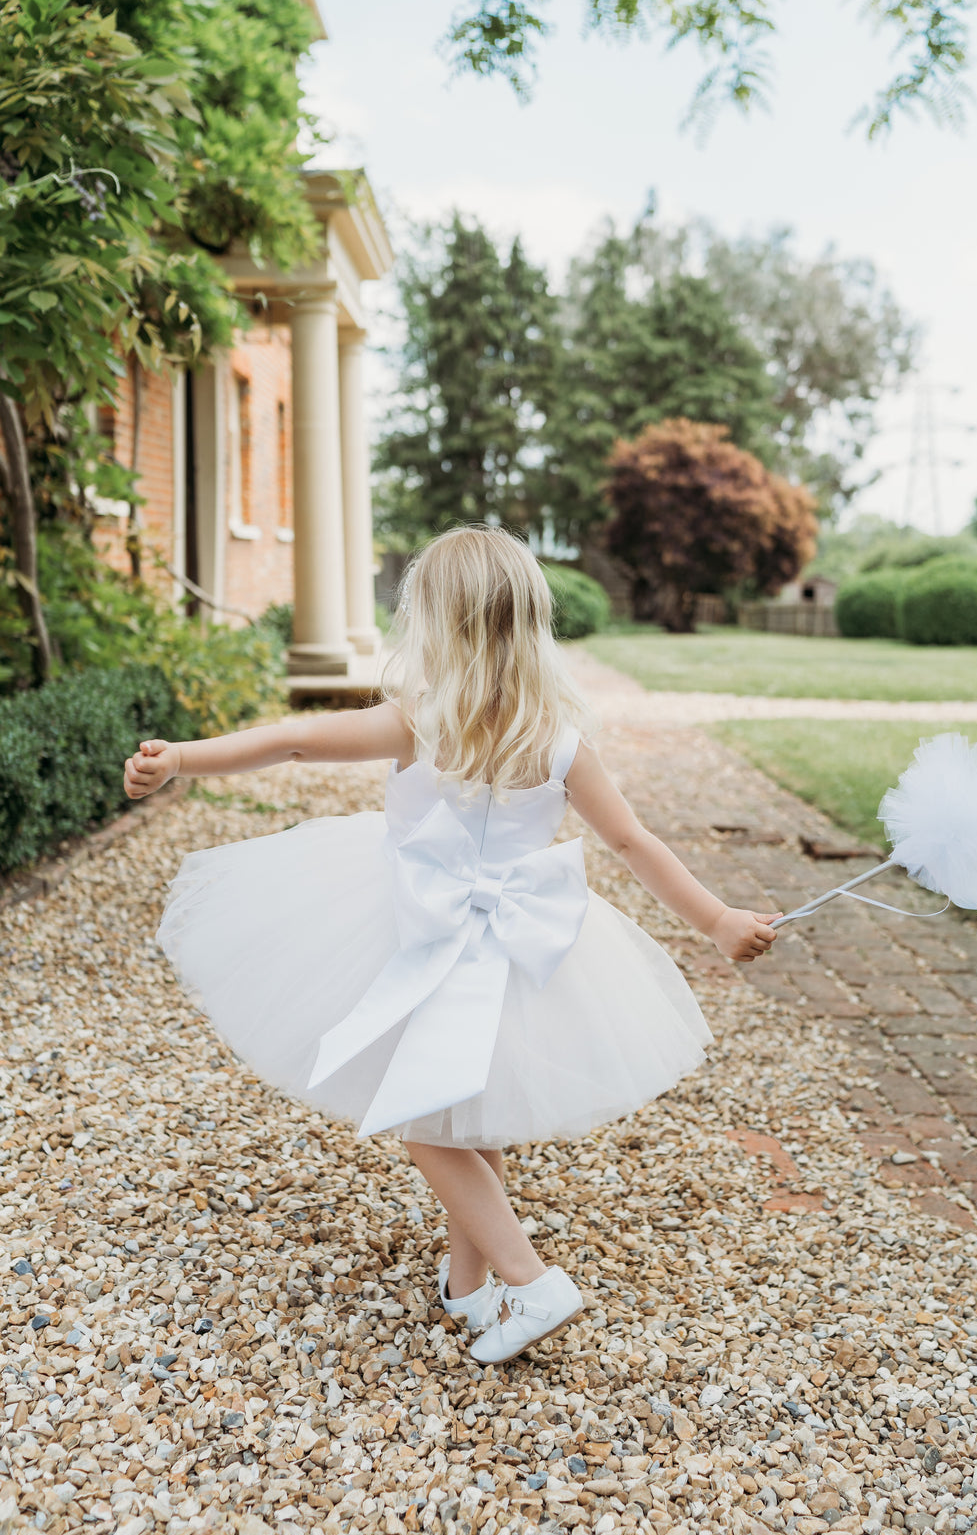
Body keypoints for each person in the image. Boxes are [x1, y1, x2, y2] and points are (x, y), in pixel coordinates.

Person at [124, 528, 780, 1365]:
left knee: (423, 1118)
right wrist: (717, 919)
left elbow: (292, 740)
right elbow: (633, 843)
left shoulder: (419, 722)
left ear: (433, 624)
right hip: (514, 942)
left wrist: (183, 757)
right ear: (530, 625)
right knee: (473, 1104)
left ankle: (531, 1279)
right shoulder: (560, 741)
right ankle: (471, 1289)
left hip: (418, 931)